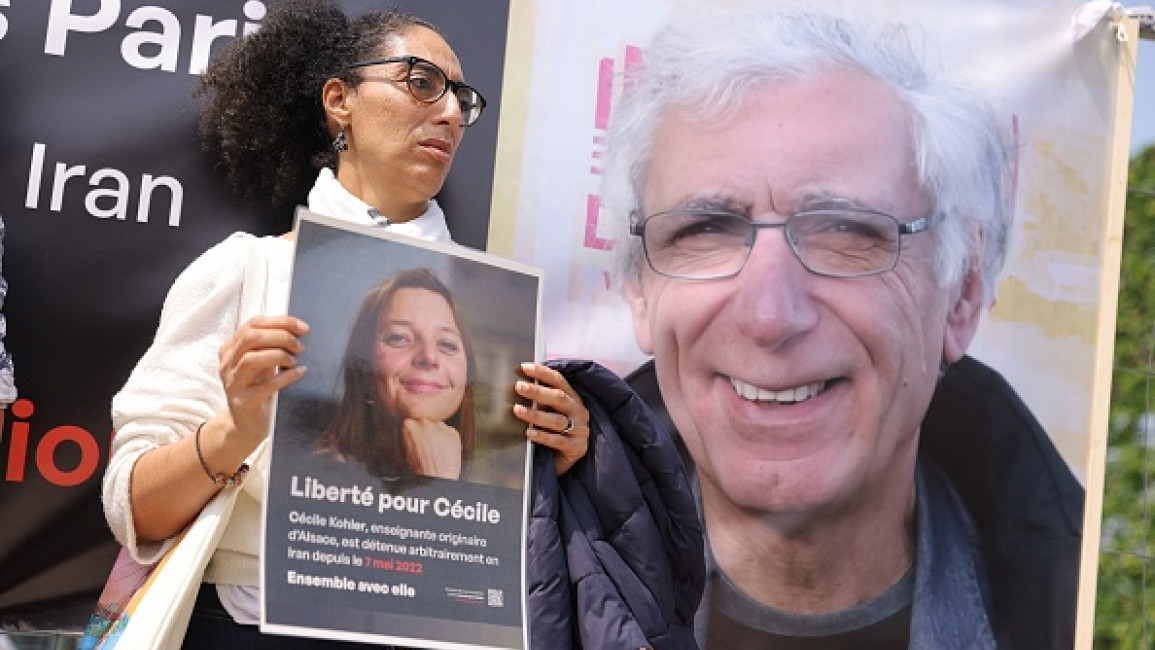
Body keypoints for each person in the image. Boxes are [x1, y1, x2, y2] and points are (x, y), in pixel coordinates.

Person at [101, 1, 589, 647]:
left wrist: (564, 459)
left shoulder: (495, 304)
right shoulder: (249, 270)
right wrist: (236, 430)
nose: (447, 112)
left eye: (460, 99)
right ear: (340, 100)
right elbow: (133, 509)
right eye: (420, 82)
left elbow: (502, 545)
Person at [607, 6, 1082, 648]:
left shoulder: (1108, 618)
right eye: (706, 229)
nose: (770, 316)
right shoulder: (497, 589)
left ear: (963, 291)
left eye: (846, 232)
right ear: (639, 289)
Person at [317, 268, 478, 480]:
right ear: (362, 363)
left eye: (447, 344)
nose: (429, 356)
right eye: (399, 338)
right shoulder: (320, 478)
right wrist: (437, 484)